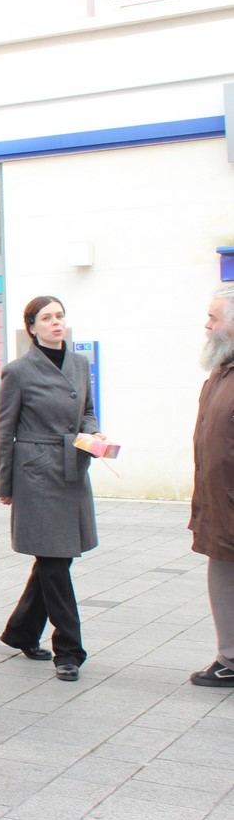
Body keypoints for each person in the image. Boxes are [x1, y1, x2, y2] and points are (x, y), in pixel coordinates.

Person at [0, 296, 103, 682]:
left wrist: (94, 434)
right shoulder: (18, 371)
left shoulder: (79, 363)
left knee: (55, 558)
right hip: (36, 474)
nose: (56, 323)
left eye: (60, 316)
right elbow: (4, 430)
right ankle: (69, 650)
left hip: (73, 467)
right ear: (32, 327)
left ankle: (21, 631)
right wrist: (5, 483)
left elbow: (87, 411)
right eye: (47, 318)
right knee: (56, 562)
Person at [188, 285, 234, 689]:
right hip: (219, 502)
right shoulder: (220, 371)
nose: (207, 325)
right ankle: (229, 658)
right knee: (221, 572)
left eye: (214, 317)